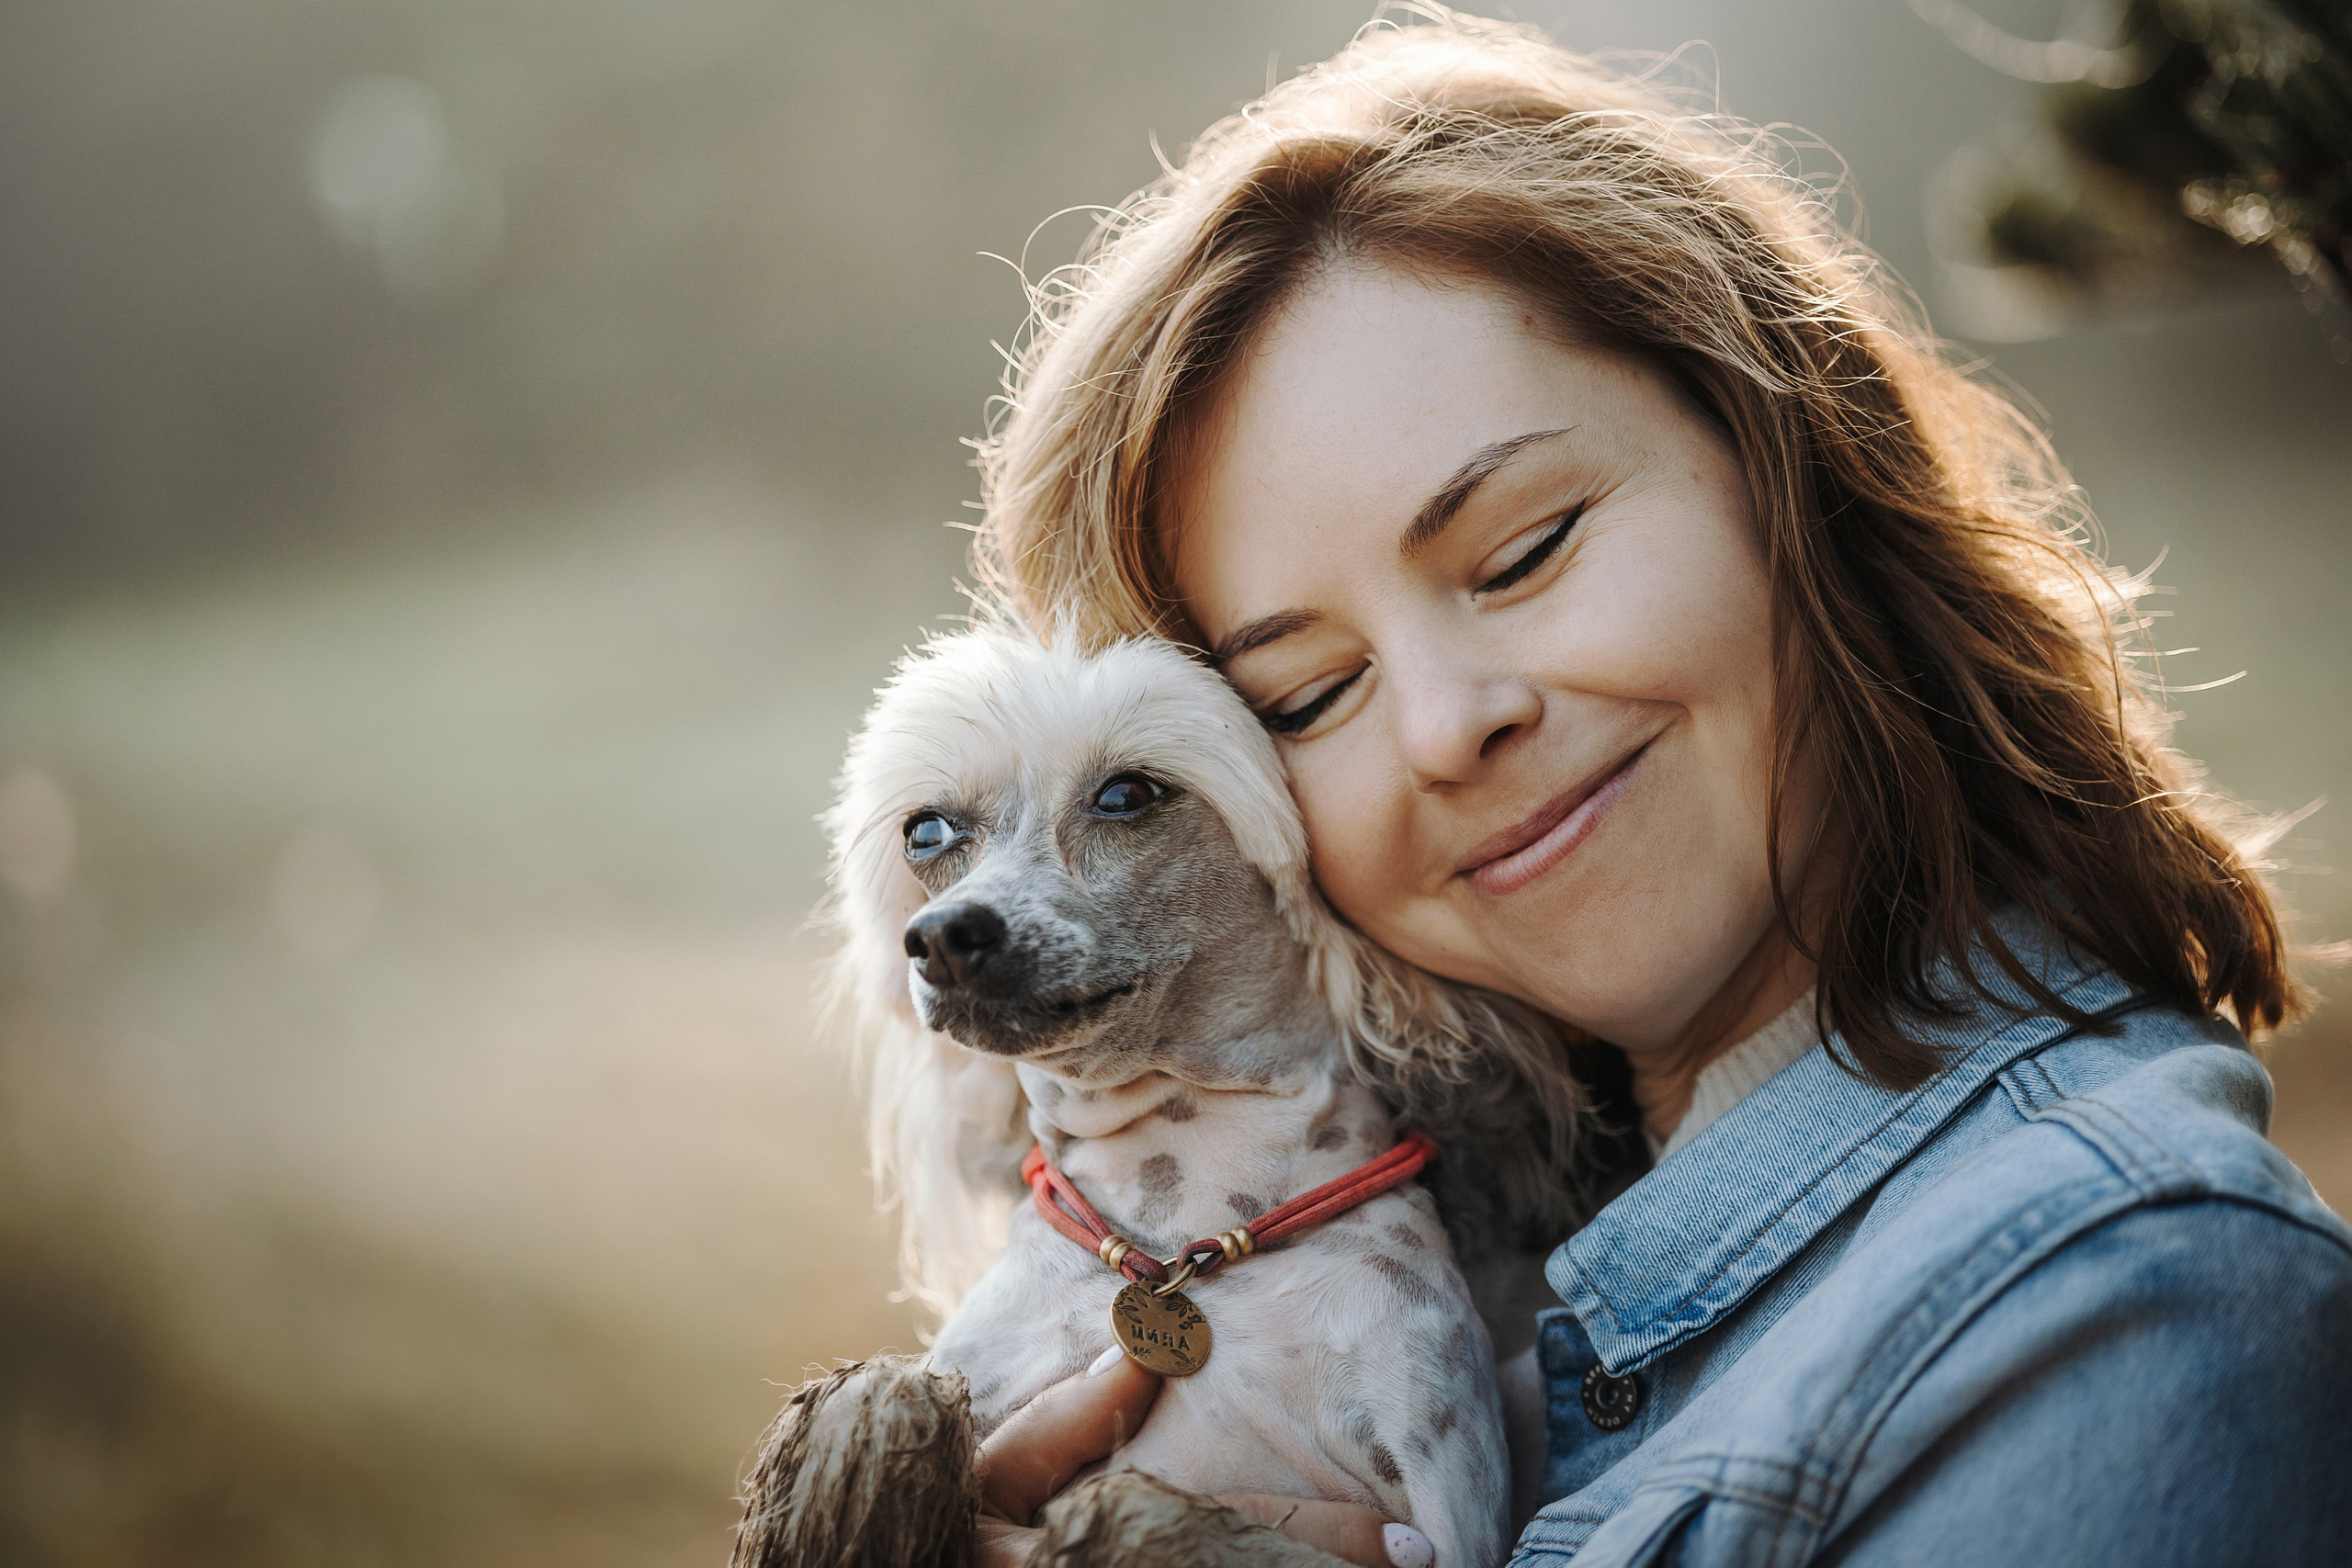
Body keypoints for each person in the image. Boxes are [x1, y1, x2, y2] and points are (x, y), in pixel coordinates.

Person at [952, 12, 2352, 1565]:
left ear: (1790, 458)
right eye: (1307, 696)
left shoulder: (2132, 1306)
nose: (1444, 728)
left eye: (1525, 551)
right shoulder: (1369, 1285)